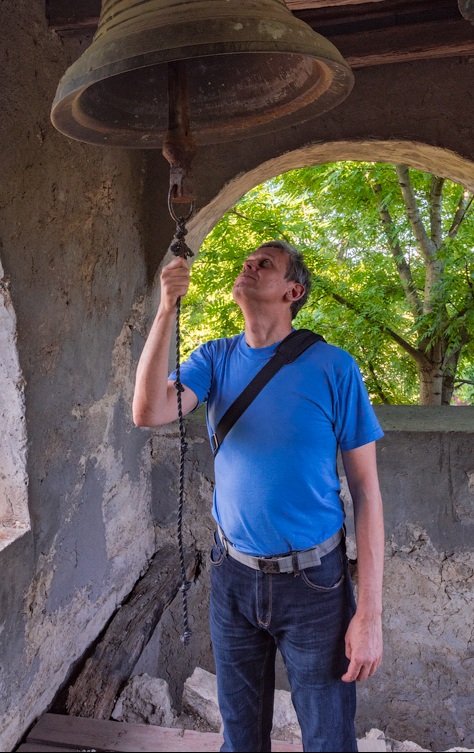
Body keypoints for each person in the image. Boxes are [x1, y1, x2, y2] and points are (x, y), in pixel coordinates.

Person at [133, 240, 385, 753]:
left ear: (294, 291)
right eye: (247, 262)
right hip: (233, 575)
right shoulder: (214, 358)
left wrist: (370, 614)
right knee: (241, 740)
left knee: (329, 740)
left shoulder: (335, 368)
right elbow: (149, 411)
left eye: (264, 264)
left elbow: (366, 492)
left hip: (315, 584)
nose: (248, 266)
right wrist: (165, 311)